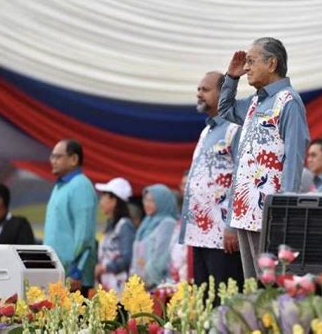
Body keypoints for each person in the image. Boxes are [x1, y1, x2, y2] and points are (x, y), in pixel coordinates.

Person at [219, 37, 309, 278]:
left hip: (270, 211)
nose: (246, 67)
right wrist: (231, 77)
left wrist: (286, 207)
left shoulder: (288, 100)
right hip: (244, 209)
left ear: (272, 64)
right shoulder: (254, 102)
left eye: (251, 61)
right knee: (253, 285)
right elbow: (225, 110)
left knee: (273, 284)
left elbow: (294, 156)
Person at [179, 71, 243, 288]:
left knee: (222, 301)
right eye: (198, 89)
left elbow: (241, 178)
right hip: (199, 233)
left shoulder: (236, 129)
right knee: (203, 302)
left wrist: (232, 226)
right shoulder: (206, 131)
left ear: (224, 92)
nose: (199, 94)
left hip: (222, 235)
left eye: (205, 89)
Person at [44, 139, 97, 296]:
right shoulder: (60, 186)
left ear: (74, 159)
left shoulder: (81, 185)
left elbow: (85, 234)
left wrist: (76, 272)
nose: (52, 161)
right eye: (52, 156)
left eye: (57, 156)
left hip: (74, 279)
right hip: (59, 274)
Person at [130, 184, 177, 288]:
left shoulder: (167, 223)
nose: (147, 204)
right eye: (145, 200)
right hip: (140, 286)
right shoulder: (146, 222)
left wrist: (145, 281)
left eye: (152, 201)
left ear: (163, 202)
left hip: (157, 285)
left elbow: (161, 257)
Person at [94, 177, 135, 293]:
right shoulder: (111, 226)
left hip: (120, 290)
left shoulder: (125, 226)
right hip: (108, 287)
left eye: (103, 197)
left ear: (114, 200)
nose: (100, 202)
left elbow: (127, 258)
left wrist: (104, 267)